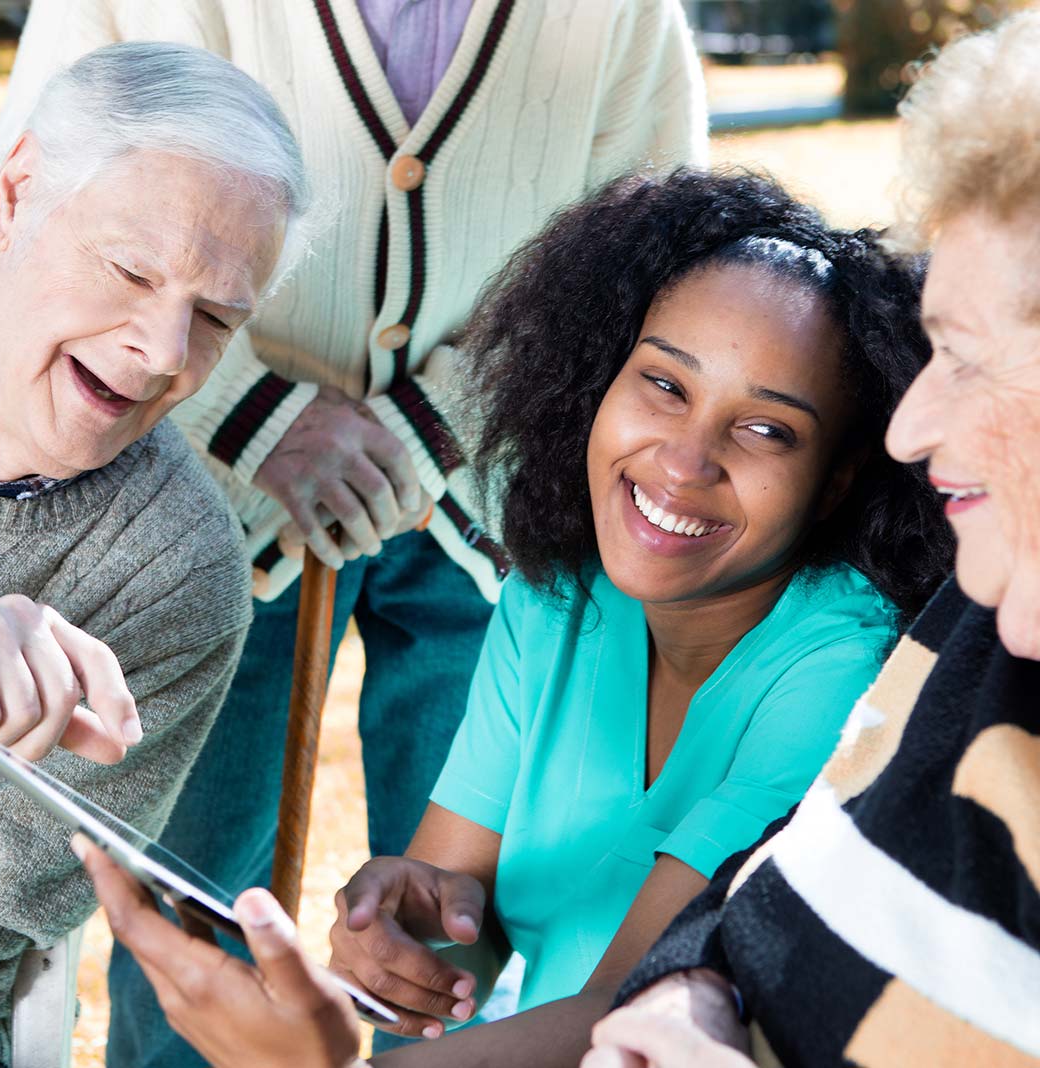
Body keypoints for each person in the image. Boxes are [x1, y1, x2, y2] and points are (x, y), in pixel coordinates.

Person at [74, 168, 954, 1067]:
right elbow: (465, 912)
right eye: (663, 385)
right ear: (597, 379)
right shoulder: (561, 592)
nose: (685, 461)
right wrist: (412, 935)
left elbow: (636, 1011)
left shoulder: (849, 671)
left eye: (766, 430)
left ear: (840, 478)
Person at [0, 3, 710, 1062]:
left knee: (461, 945)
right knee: (197, 943)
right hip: (207, 507)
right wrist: (256, 416)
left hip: (492, 515)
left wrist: (430, 427)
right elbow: (34, 187)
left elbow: (653, 246)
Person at [583, 13, 1040, 1068]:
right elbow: (785, 865)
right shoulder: (973, 617)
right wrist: (689, 987)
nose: (910, 429)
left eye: (965, 359)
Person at [0, 41, 306, 1067]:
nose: (165, 353)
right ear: (14, 195)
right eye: (131, 270)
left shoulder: (178, 571)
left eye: (218, 316)